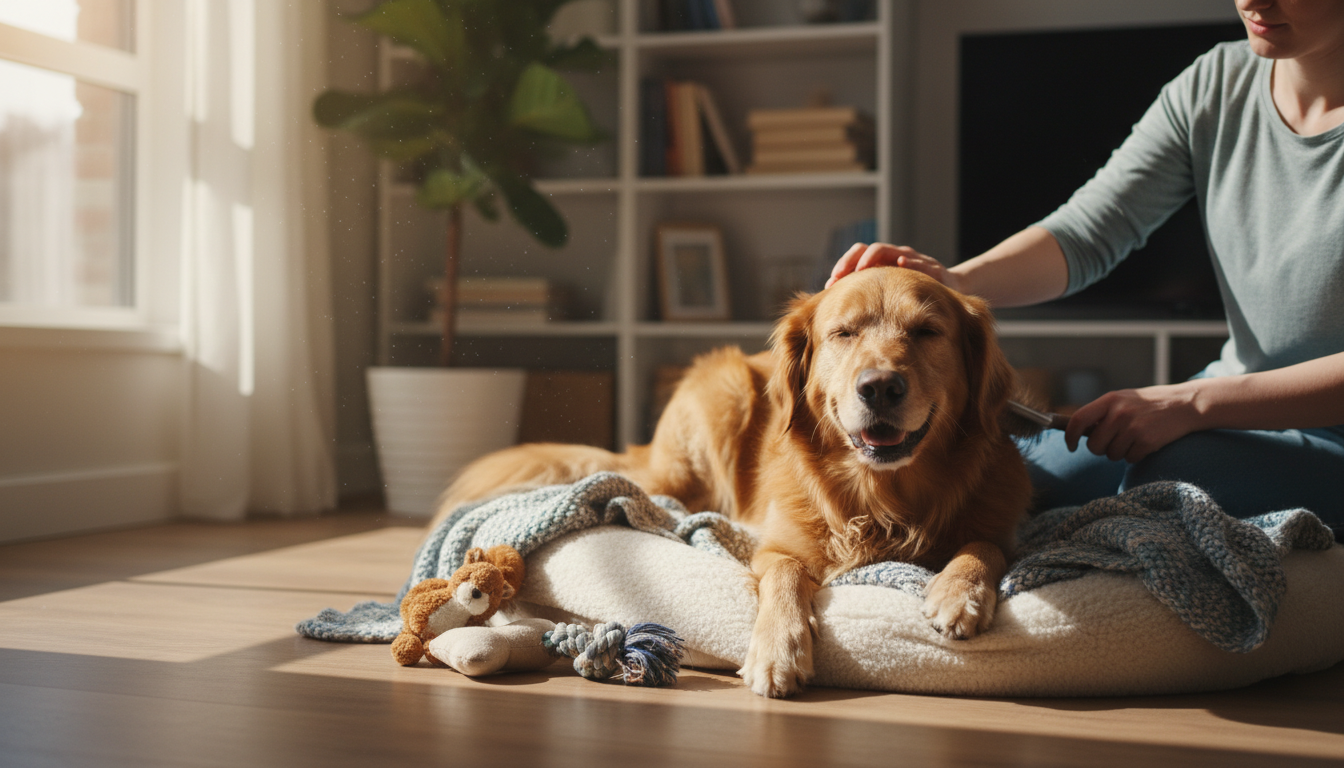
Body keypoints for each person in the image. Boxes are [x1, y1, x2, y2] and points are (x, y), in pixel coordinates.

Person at [826, 0, 1344, 539]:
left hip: (1325, 433)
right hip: (1229, 402)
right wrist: (956, 284)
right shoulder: (1219, 80)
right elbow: (1094, 230)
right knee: (1026, 471)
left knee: (1171, 480)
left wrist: (1195, 403)